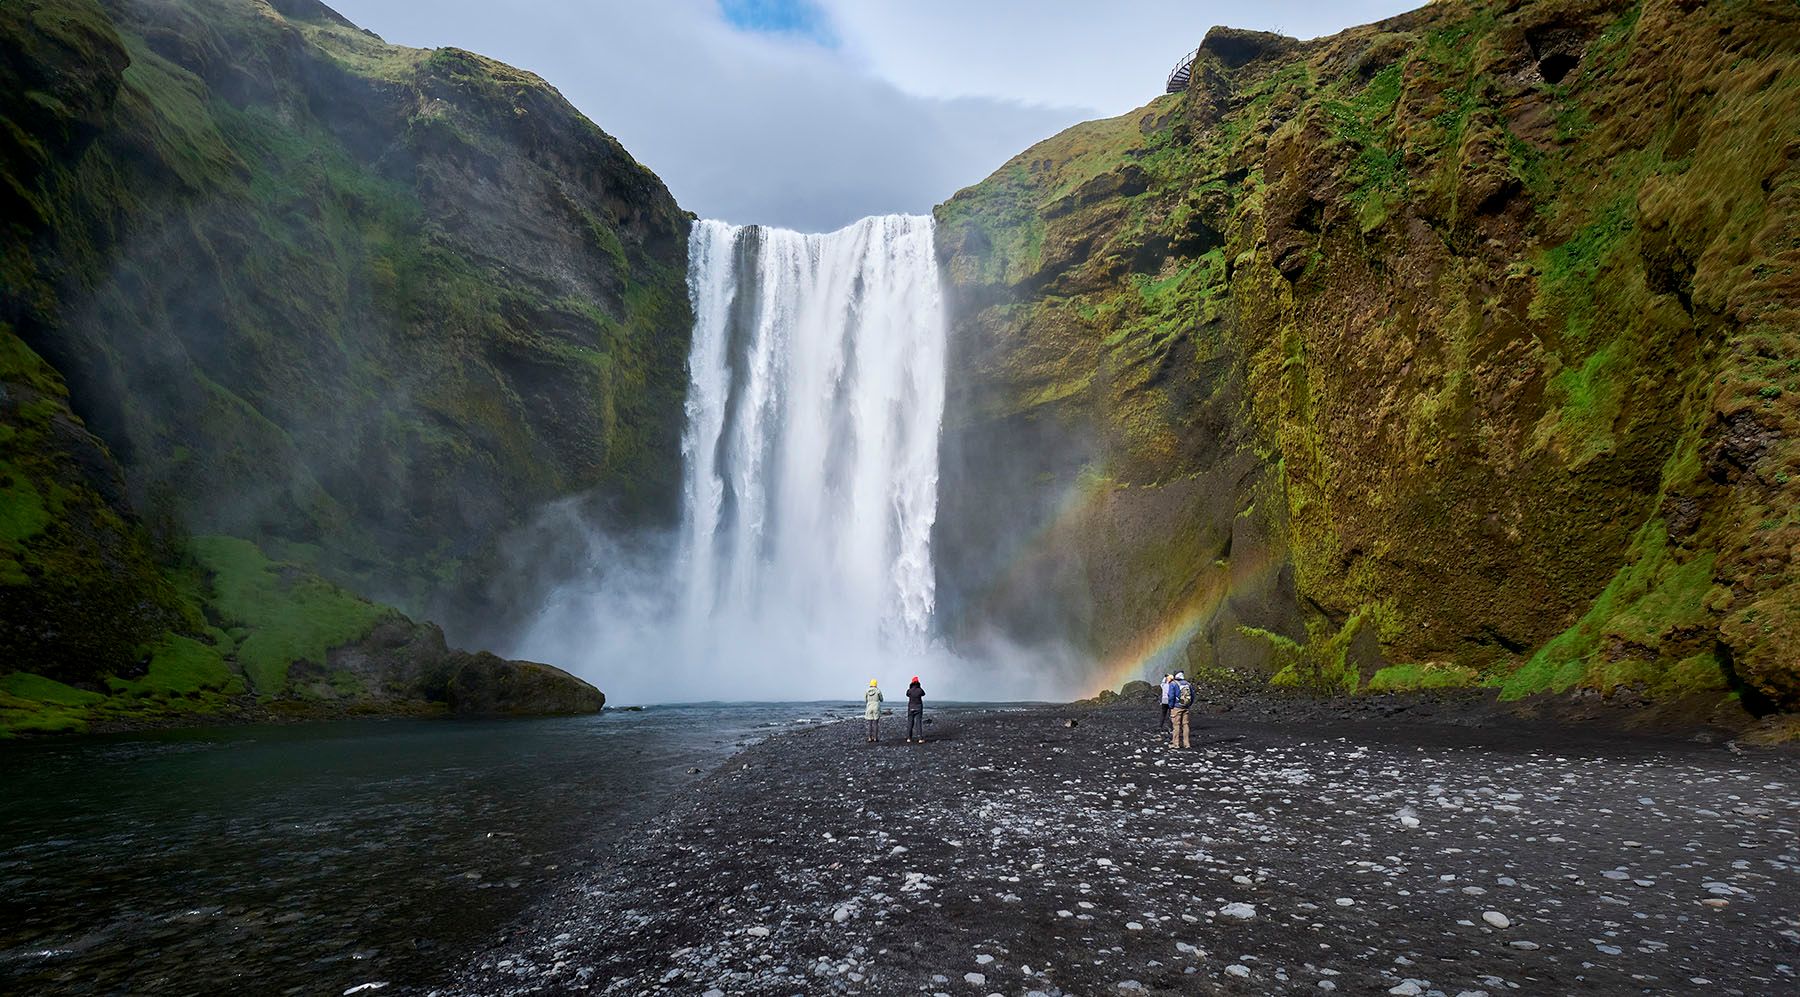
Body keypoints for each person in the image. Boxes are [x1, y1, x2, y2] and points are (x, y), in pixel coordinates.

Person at [1165, 670, 1195, 749]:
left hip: (1176, 707)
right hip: (1186, 706)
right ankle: (1187, 744)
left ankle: (1176, 744)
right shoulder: (1188, 684)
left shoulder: (1173, 684)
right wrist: (1188, 704)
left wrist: (1171, 706)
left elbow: (1171, 696)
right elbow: (1193, 695)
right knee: (1185, 725)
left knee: (1176, 725)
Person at [905, 676, 925, 743]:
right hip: (918, 707)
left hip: (911, 707)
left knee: (910, 723)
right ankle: (920, 738)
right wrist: (919, 686)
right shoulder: (920, 690)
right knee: (918, 723)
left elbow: (907, 694)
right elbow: (923, 694)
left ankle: (909, 738)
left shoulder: (909, 690)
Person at [864, 678, 884, 743]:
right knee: (875, 723)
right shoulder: (878, 691)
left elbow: (865, 700)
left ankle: (869, 738)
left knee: (869, 723)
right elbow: (881, 699)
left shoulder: (867, 691)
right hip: (876, 707)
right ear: (876, 684)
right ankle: (875, 738)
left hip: (869, 707)